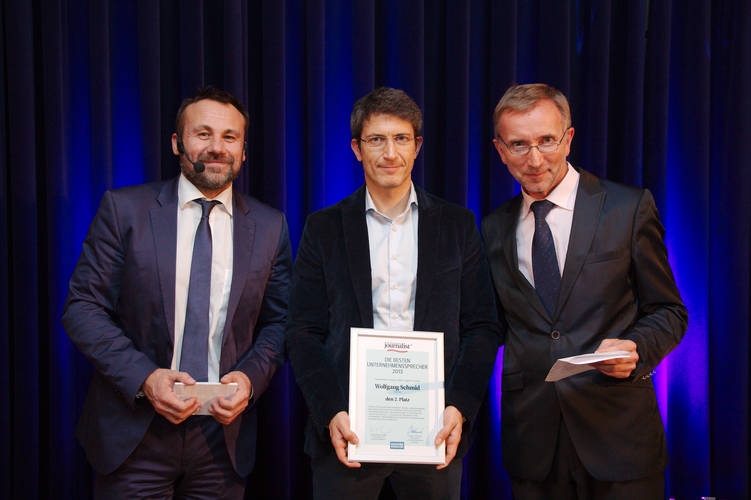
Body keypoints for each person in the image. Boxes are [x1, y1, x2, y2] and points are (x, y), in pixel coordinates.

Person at [62, 86, 291, 498]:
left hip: (222, 442)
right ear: (176, 143)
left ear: (243, 151)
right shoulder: (124, 210)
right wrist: (146, 378)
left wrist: (249, 380)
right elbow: (83, 308)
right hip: (134, 434)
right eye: (203, 134)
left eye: (229, 137)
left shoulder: (271, 226)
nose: (217, 147)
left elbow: (281, 321)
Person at [286, 87, 499, 500]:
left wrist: (459, 406)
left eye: (401, 139)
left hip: (434, 430)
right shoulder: (324, 228)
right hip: (348, 431)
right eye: (376, 140)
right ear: (356, 149)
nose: (390, 153)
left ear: (417, 146)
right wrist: (331, 412)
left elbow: (482, 327)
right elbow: (303, 331)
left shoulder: (457, 225)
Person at [481, 83, 688, 499]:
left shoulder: (627, 208)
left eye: (546, 140)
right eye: (519, 145)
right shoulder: (492, 228)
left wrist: (635, 348)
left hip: (620, 437)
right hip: (534, 444)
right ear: (500, 150)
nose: (534, 159)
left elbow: (669, 310)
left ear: (568, 138)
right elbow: (488, 326)